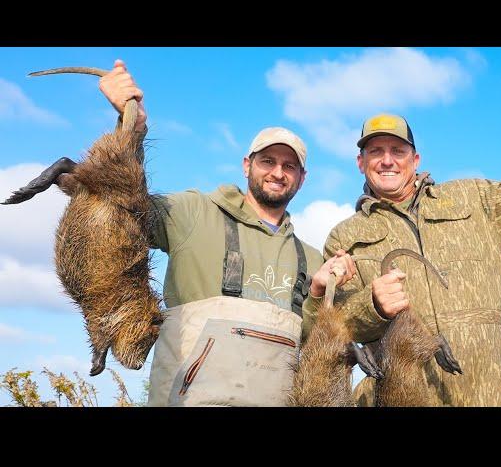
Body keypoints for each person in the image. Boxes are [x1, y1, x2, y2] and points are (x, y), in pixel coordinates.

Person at [99, 60, 355, 406]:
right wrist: (131, 129)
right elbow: (123, 212)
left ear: (301, 178)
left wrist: (319, 293)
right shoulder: (193, 212)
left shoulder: (310, 258)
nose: (278, 172)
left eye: (289, 165)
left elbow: (310, 345)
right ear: (247, 164)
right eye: (267, 161)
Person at [323, 112, 501, 406]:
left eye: (398, 151)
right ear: (361, 162)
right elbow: (335, 327)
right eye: (376, 152)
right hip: (404, 394)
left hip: (496, 389)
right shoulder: (344, 237)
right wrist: (373, 305)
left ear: (415, 159)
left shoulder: (473, 197)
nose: (387, 160)